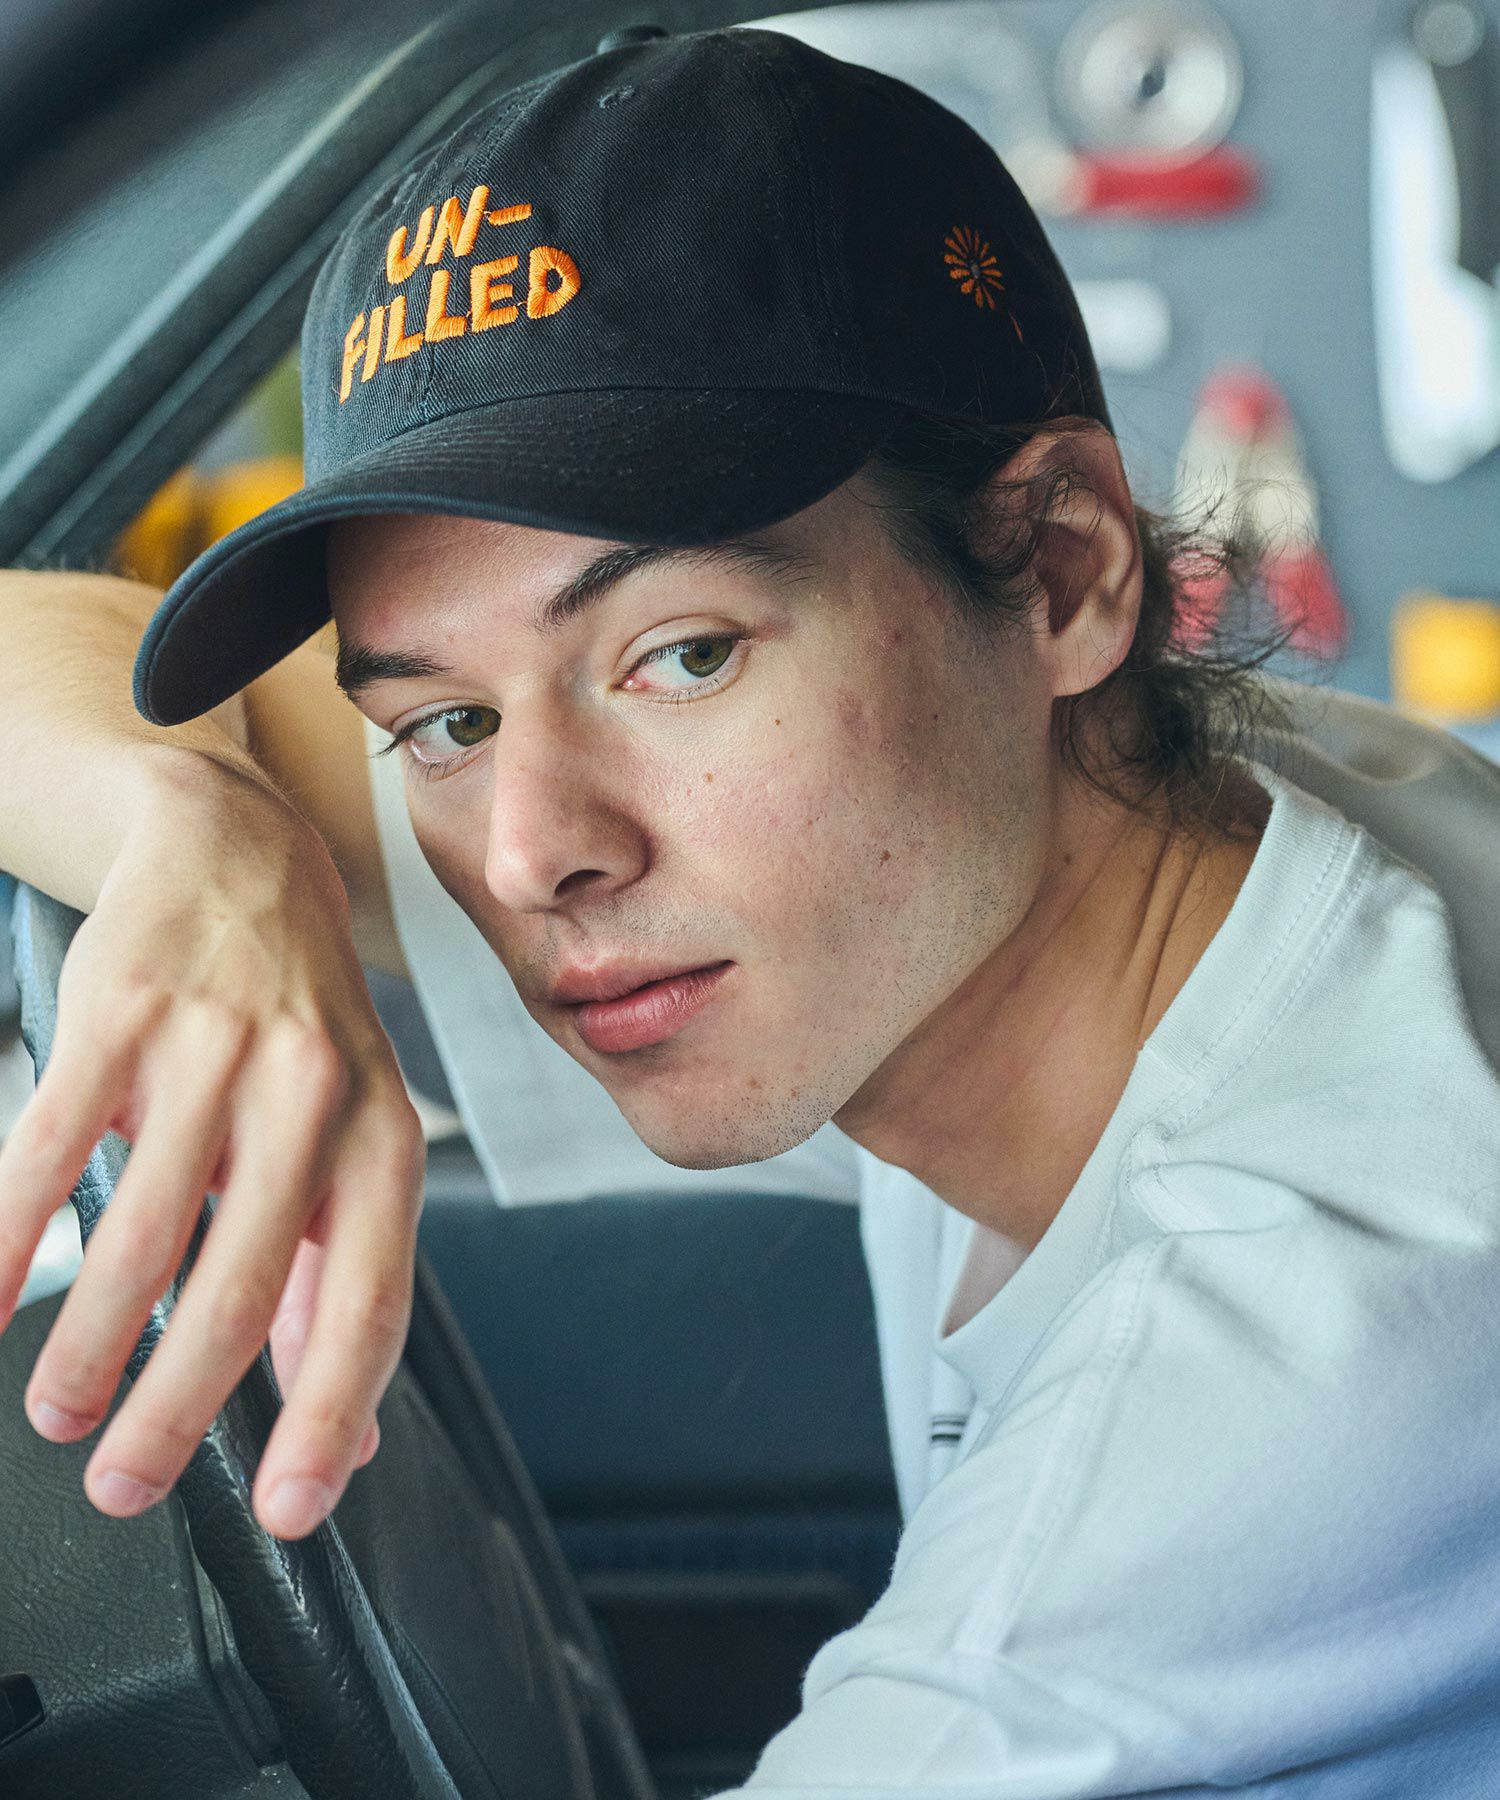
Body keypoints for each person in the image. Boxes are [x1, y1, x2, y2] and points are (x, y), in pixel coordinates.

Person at [3, 23, 1500, 1795]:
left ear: (1063, 571)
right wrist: (200, 841)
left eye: (685, 656)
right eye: (446, 724)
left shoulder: (1280, 1358)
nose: (530, 852)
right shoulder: (1143, 839)